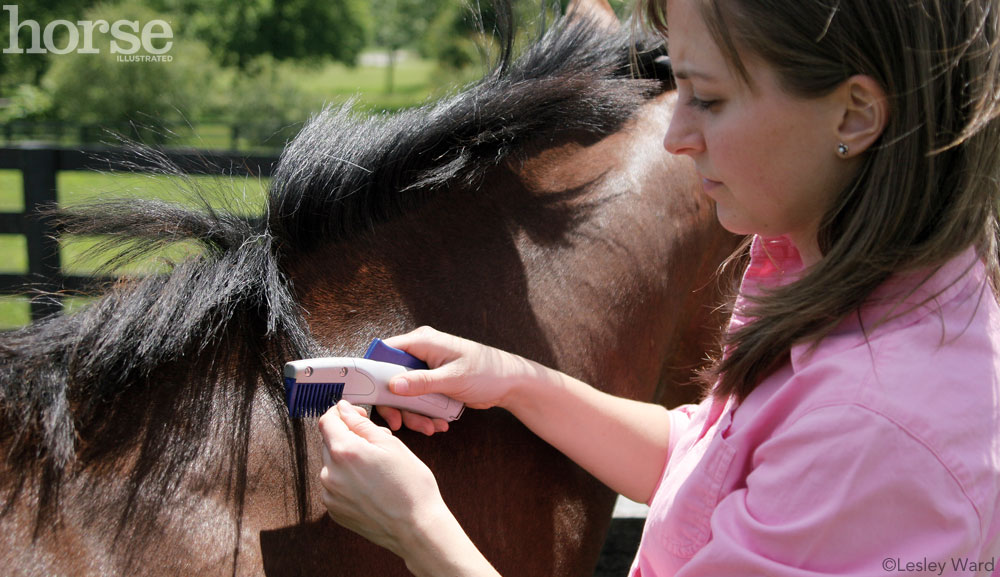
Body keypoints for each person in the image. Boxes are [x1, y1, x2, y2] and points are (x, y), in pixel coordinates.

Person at [316, 0, 1000, 574]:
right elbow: (711, 467)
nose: (676, 137)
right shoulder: (850, 275)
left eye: (709, 98)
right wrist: (516, 380)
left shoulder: (870, 425)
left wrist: (417, 527)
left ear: (853, 115)